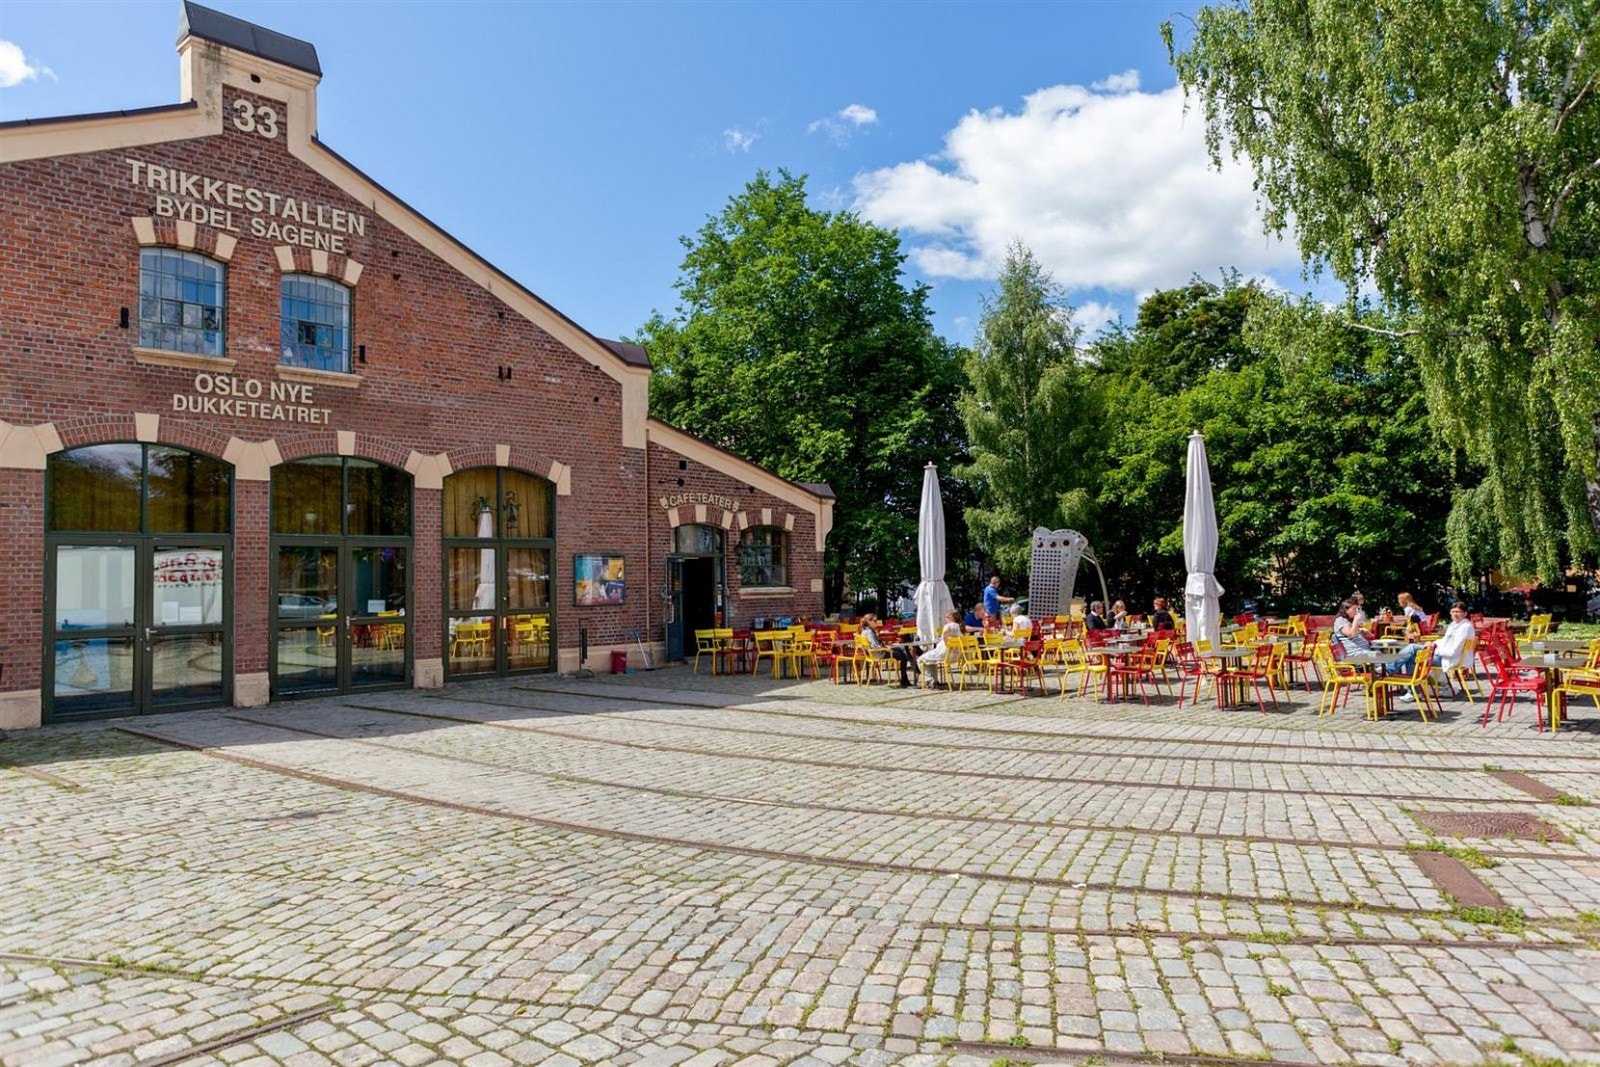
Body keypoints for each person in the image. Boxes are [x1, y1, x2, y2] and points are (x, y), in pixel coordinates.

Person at [1432, 601, 1477, 695]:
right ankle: (1441, 685)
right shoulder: (1454, 625)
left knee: (1415, 656)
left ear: (1465, 614)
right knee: (1413, 650)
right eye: (1453, 611)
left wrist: (1434, 651)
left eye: (1458, 612)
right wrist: (1433, 644)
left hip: (1454, 660)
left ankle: (1414, 689)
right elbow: (1445, 641)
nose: (1455, 614)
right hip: (1450, 657)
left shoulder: (1465, 627)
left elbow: (1453, 652)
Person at [918, 610, 966, 685]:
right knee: (930, 660)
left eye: (946, 617)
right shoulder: (959, 627)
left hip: (944, 654)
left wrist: (947, 644)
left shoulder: (949, 625)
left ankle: (930, 680)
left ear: (951, 617)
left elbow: (945, 633)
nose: (945, 619)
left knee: (920, 660)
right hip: (956, 655)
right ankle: (934, 680)